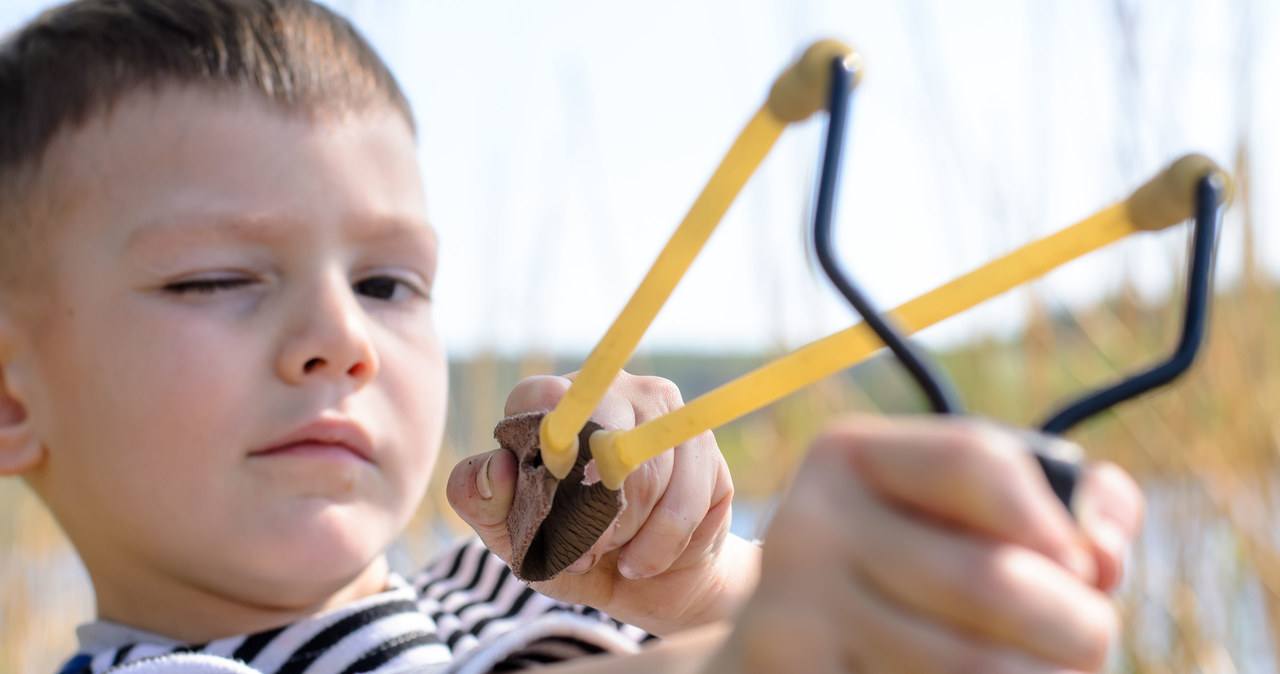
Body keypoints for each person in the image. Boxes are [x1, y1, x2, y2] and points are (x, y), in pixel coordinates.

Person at [0, 0, 1142, 671]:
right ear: (11, 396)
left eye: (391, 280)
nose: (340, 336)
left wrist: (690, 578)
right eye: (213, 278)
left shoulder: (507, 591)